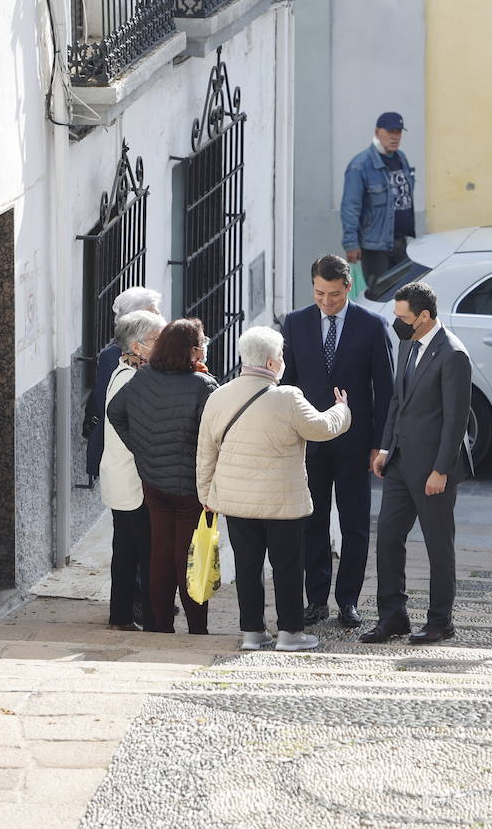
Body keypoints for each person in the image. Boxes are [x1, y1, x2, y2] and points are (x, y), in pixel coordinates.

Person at [197, 327, 352, 652]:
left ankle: (252, 633)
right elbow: (322, 428)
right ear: (270, 361)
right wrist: (342, 409)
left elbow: (206, 451)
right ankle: (290, 633)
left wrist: (206, 495)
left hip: (237, 502)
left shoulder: (219, 396)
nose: (283, 362)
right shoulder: (288, 398)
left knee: (247, 566)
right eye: (280, 357)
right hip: (282, 502)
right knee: (287, 566)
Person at [281, 255, 395, 629]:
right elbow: (287, 385)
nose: (325, 301)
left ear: (347, 287)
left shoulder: (372, 325)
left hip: (355, 444)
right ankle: (316, 601)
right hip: (309, 443)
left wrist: (380, 444)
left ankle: (348, 600)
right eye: (318, 293)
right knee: (310, 523)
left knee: (354, 524)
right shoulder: (296, 323)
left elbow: (385, 389)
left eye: (332, 294)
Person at [361, 282, 473, 645]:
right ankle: (392, 617)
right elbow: (398, 400)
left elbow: (456, 420)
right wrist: (383, 448)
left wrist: (441, 469)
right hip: (399, 463)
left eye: (403, 318)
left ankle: (441, 621)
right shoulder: (407, 343)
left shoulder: (453, 354)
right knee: (388, 539)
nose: (397, 324)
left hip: (433, 470)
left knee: (439, 545)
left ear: (424, 317)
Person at [107, 318, 218, 634]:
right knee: (190, 558)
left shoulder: (142, 379)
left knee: (159, 554)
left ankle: (160, 627)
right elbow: (214, 436)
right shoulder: (203, 386)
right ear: (194, 351)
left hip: (154, 483)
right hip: (190, 489)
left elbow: (116, 413)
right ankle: (197, 629)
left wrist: (142, 450)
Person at [99, 309, 165, 632]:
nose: (161, 345)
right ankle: (150, 621)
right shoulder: (133, 379)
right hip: (133, 483)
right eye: (156, 340)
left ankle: (121, 616)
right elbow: (126, 421)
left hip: (123, 480)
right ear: (137, 346)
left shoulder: (123, 371)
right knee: (143, 553)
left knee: (125, 551)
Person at [84, 286, 163, 481]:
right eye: (153, 311)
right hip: (127, 456)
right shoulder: (114, 356)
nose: (160, 315)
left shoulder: (157, 352)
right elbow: (109, 406)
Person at [342, 111, 416, 291]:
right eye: (390, 131)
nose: (394, 137)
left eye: (398, 132)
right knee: (379, 295)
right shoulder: (360, 165)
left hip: (400, 242)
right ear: (377, 132)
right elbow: (350, 207)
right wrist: (351, 243)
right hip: (375, 246)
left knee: (405, 295)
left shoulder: (401, 158)